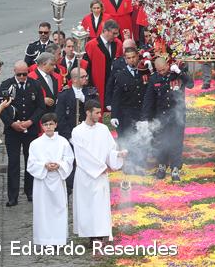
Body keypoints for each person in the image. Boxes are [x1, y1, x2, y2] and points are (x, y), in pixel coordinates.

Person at [71, 99, 127, 242]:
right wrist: (101, 168)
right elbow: (82, 155)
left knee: (100, 205)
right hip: (85, 174)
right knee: (87, 205)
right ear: (88, 112)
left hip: (101, 174)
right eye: (96, 113)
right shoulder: (77, 131)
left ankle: (100, 235)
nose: (99, 116)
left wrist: (118, 155)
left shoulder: (103, 129)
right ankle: (91, 236)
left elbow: (110, 149)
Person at [0, 60, 46, 206]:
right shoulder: (6, 85)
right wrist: (12, 123)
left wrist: (31, 121)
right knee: (13, 163)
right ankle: (12, 196)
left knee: (30, 161)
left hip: (30, 129)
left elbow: (41, 107)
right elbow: (1, 108)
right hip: (12, 130)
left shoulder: (35, 84)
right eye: (19, 74)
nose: (21, 77)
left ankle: (30, 191)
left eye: (24, 74)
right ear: (14, 72)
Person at [142, 57, 193, 181]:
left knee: (176, 141)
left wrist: (180, 73)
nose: (161, 72)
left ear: (167, 65)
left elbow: (191, 84)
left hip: (177, 115)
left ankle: (175, 168)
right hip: (161, 116)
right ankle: (161, 166)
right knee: (161, 141)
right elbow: (149, 100)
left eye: (163, 69)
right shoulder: (154, 78)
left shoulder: (176, 74)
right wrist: (145, 118)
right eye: (159, 70)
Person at [26, 112, 73, 246]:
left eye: (51, 124)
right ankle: (44, 240)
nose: (48, 127)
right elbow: (31, 163)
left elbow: (69, 159)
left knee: (59, 208)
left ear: (56, 125)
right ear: (42, 126)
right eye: (45, 124)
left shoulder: (63, 142)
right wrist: (44, 165)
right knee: (43, 210)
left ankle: (59, 239)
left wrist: (59, 165)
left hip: (58, 178)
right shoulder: (35, 143)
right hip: (42, 181)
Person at [108, 47, 147, 148]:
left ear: (138, 56)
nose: (132, 60)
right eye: (129, 58)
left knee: (142, 141)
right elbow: (116, 97)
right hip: (127, 114)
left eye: (133, 57)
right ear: (125, 59)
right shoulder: (121, 75)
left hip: (141, 112)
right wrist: (114, 115)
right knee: (127, 141)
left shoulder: (144, 71)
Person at [83, 19, 122, 110]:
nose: (116, 36)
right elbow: (86, 67)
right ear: (105, 31)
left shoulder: (118, 43)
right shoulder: (91, 45)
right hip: (97, 83)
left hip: (113, 83)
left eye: (117, 33)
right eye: (114, 33)